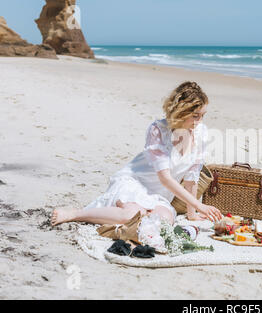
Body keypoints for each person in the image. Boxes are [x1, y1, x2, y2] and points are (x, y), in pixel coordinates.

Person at [51, 81, 223, 227]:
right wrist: (199, 205)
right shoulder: (158, 130)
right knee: (131, 216)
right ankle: (76, 214)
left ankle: (124, 215)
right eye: (195, 116)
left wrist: (192, 213)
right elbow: (165, 178)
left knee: (164, 221)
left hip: (160, 196)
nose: (199, 121)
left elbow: (192, 177)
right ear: (181, 112)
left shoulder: (202, 133)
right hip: (135, 183)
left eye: (202, 115)